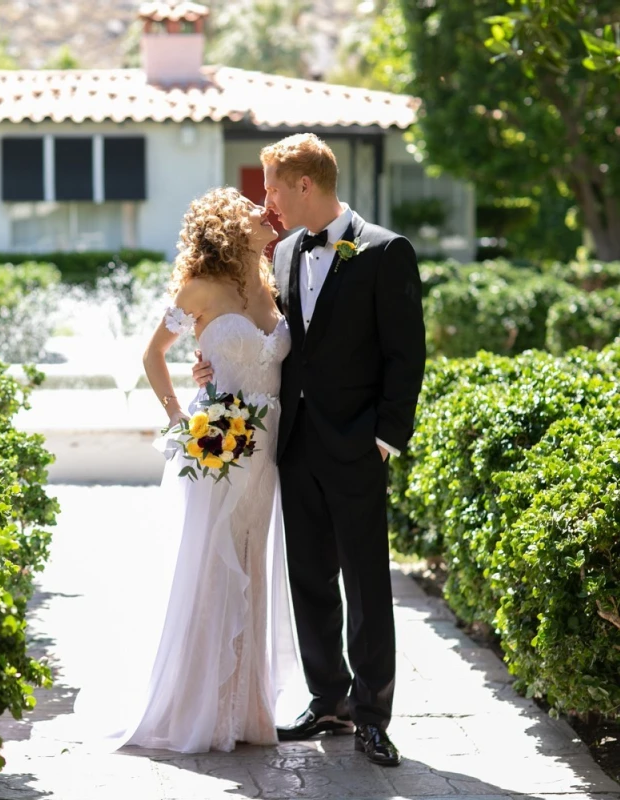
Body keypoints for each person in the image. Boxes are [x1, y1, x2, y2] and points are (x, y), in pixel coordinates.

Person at [192, 134, 426, 766]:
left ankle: (374, 715)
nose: (265, 199)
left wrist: (383, 441)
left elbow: (407, 357)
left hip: (357, 449)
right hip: (293, 448)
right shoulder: (288, 251)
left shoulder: (386, 251)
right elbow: (278, 338)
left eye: (271, 186)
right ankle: (329, 699)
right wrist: (210, 357)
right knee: (310, 580)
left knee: (368, 583)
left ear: (303, 185)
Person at [72, 186, 301, 754]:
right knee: (210, 565)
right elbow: (153, 354)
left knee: (252, 562)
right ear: (229, 224)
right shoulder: (199, 286)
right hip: (215, 447)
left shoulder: (273, 281)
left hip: (267, 449)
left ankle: (244, 711)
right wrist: (180, 419)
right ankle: (196, 707)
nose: (264, 210)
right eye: (252, 206)